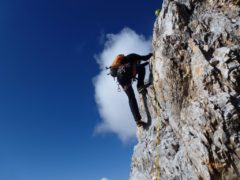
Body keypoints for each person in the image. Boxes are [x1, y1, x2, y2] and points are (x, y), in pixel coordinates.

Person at [109, 53, 152, 127]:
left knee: (131, 98)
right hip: (125, 72)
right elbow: (144, 57)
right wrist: (152, 54)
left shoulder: (121, 65)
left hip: (121, 79)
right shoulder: (132, 56)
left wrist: (145, 64)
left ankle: (137, 120)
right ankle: (140, 86)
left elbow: (137, 66)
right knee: (141, 69)